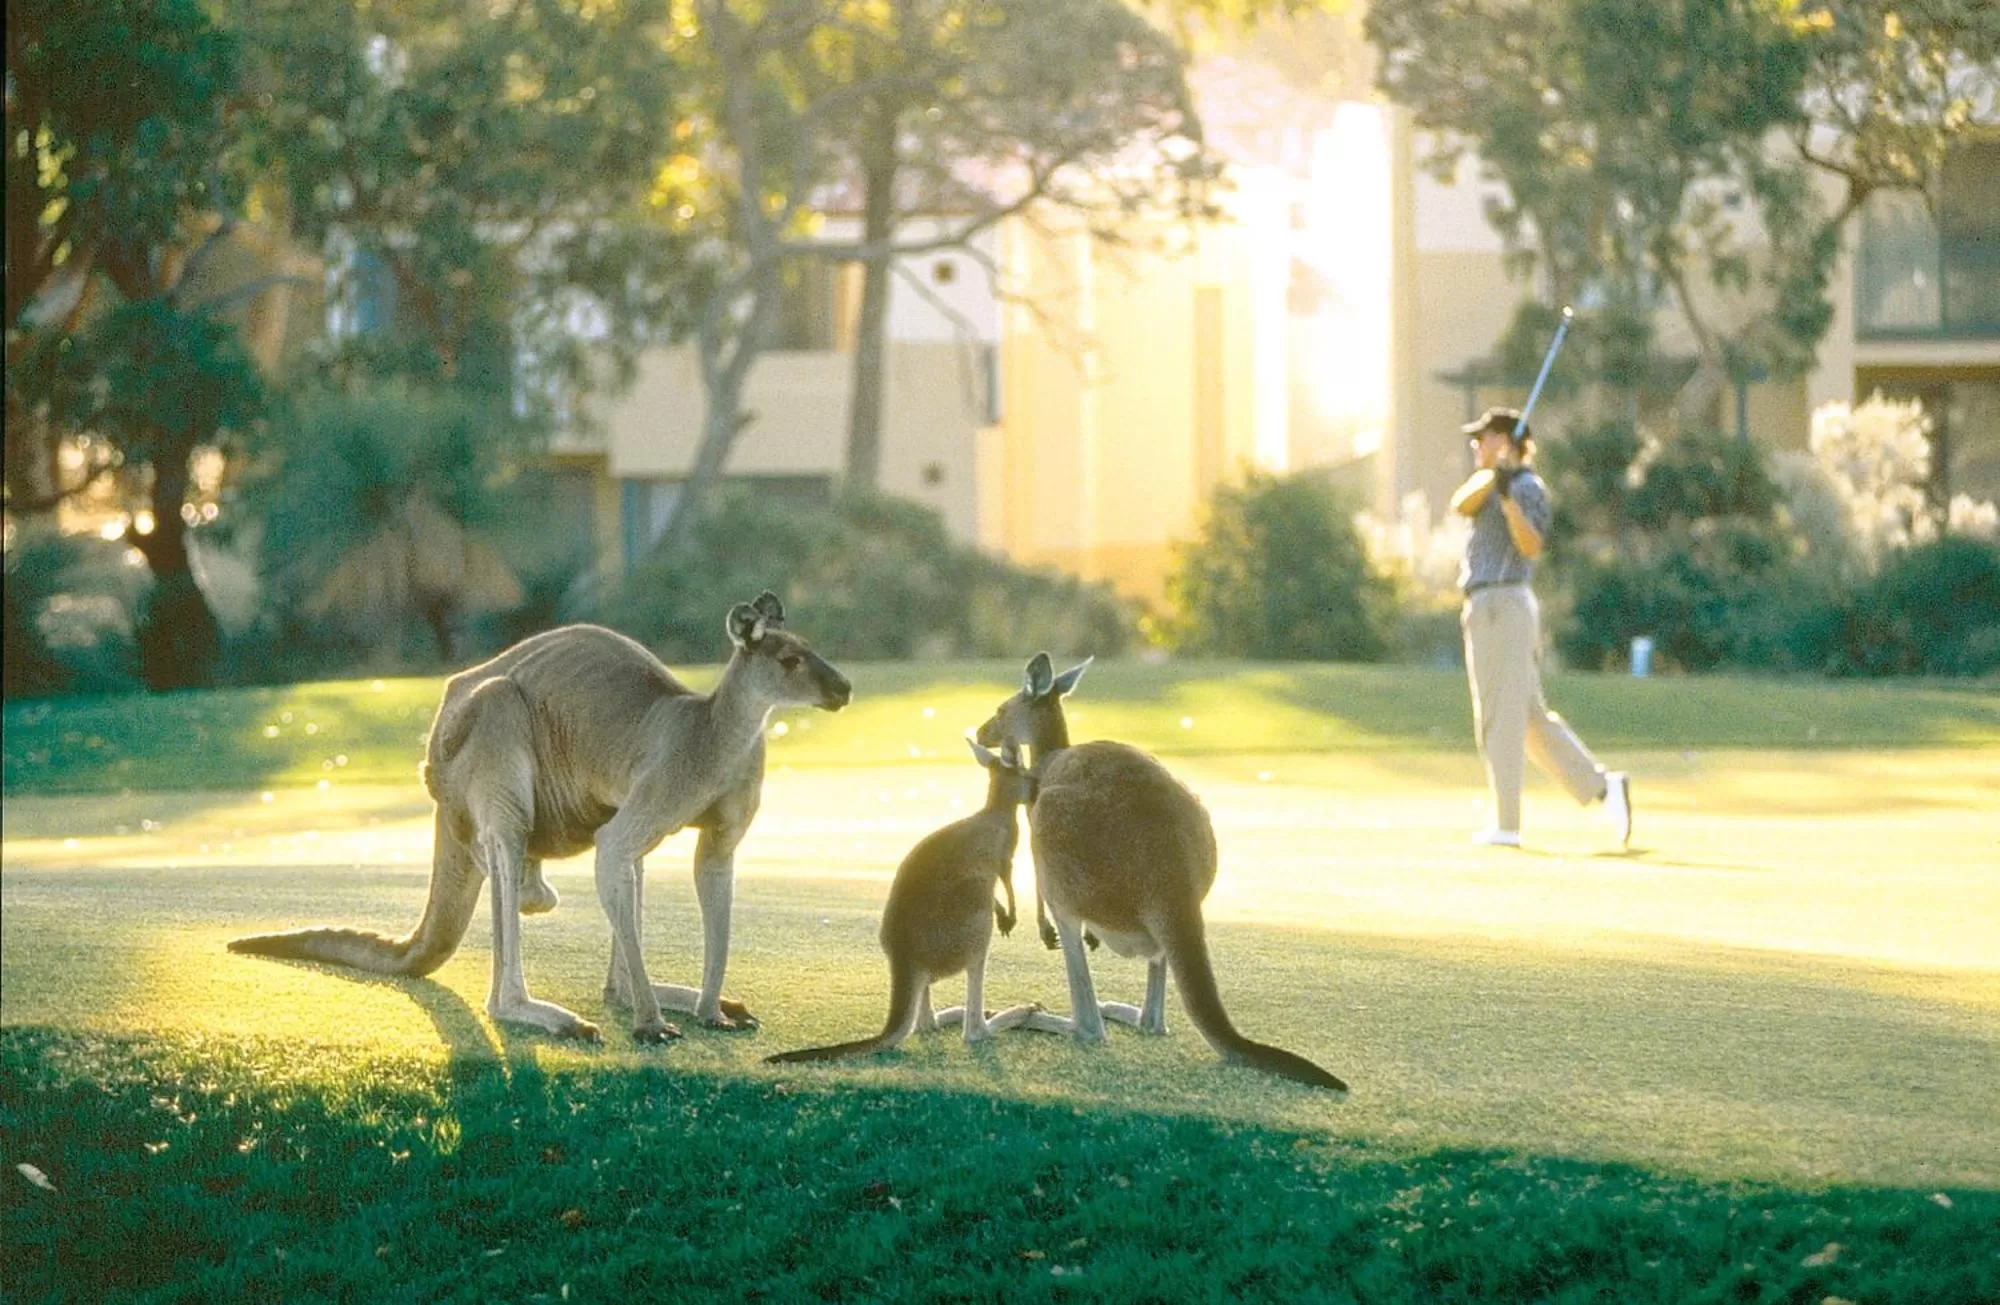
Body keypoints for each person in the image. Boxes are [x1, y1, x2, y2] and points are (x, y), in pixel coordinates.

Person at [1450, 407, 1631, 849]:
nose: (1476, 446)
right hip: (1487, 605)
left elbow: (1529, 546)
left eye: (1484, 438)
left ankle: (1507, 825)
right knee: (1529, 719)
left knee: (1500, 718)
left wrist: (1510, 495)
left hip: (1504, 602)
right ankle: (1604, 788)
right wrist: (1497, 476)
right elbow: (1461, 504)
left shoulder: (1529, 487)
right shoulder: (1488, 482)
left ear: (1506, 441)